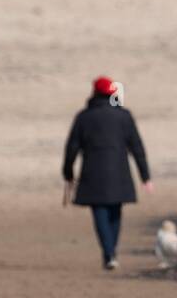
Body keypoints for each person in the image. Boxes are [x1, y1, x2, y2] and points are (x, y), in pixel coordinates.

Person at [62, 77, 152, 270]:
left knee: (100, 211)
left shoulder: (84, 117)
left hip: (92, 171)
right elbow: (137, 147)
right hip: (119, 171)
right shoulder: (124, 116)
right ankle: (111, 252)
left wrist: (67, 173)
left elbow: (72, 148)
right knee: (115, 211)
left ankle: (109, 253)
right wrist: (145, 176)